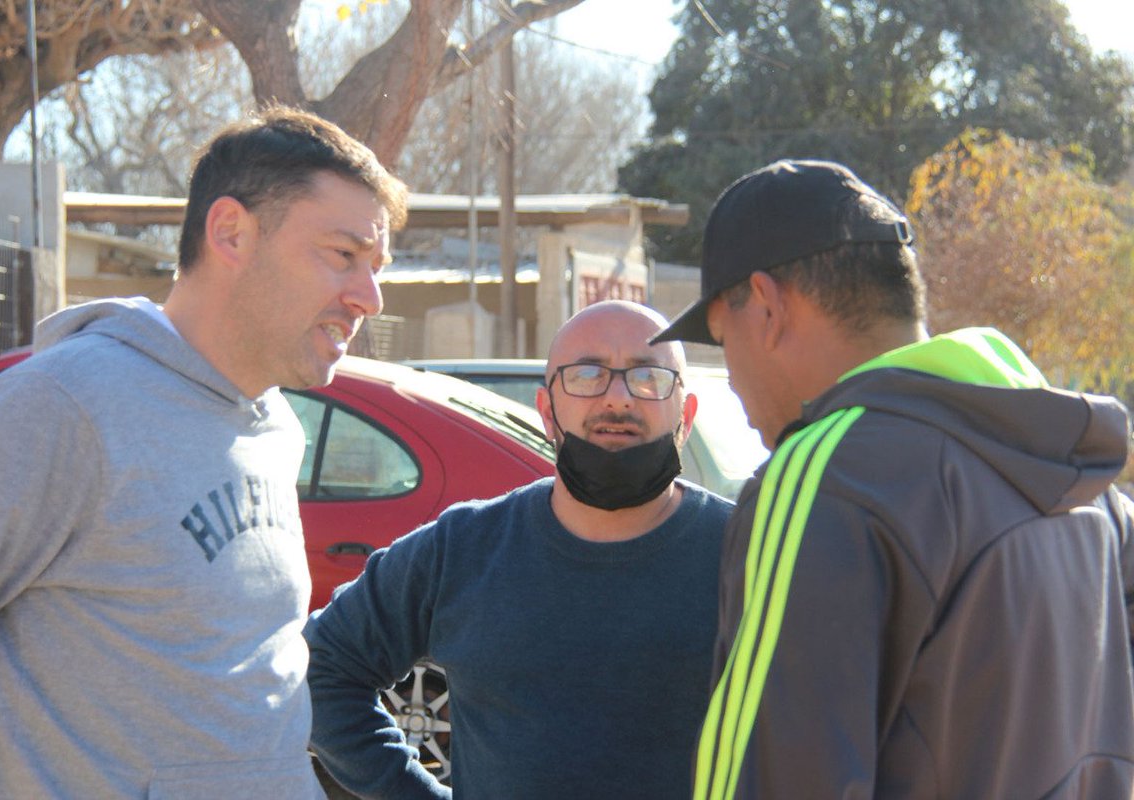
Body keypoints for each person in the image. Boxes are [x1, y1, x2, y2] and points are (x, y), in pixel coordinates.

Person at [0, 105, 407, 799]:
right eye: (343, 255)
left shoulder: (276, 425)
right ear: (231, 232)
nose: (370, 297)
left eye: (376, 266)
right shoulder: (62, 405)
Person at [651, 158, 1134, 798]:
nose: (732, 379)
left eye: (721, 338)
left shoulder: (825, 479)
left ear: (766, 306)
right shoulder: (1081, 482)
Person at [304, 299, 736, 799]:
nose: (618, 398)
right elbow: (323, 667)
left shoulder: (744, 553)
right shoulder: (463, 549)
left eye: (647, 376)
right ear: (547, 412)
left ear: (686, 412)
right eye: (587, 375)